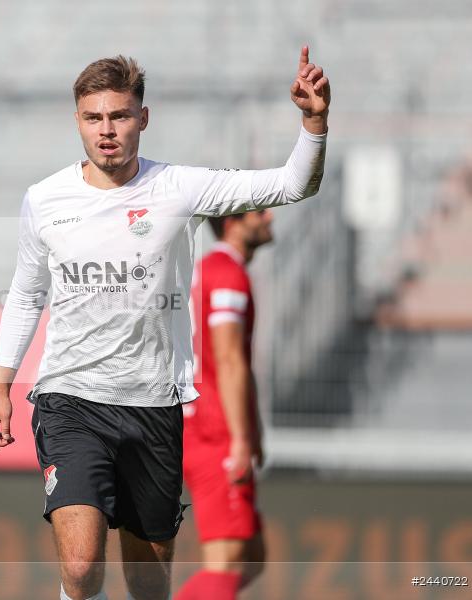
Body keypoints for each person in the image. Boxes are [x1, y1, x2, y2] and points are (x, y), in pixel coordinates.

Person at [0, 47, 330, 600]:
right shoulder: (44, 200)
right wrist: (0, 386)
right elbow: (27, 292)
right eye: (94, 118)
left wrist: (314, 122)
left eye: (119, 115)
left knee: (147, 584)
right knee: (80, 568)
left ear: (143, 118)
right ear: (78, 121)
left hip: (154, 406)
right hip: (71, 401)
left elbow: (293, 186)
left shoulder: (179, 188)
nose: (107, 130)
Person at [174, 210, 273, 600]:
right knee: (228, 560)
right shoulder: (229, 274)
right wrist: (240, 437)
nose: (269, 217)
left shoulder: (202, 270)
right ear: (232, 222)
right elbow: (230, 357)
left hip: (195, 422)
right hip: (215, 429)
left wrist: (255, 429)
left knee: (251, 556)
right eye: (259, 211)